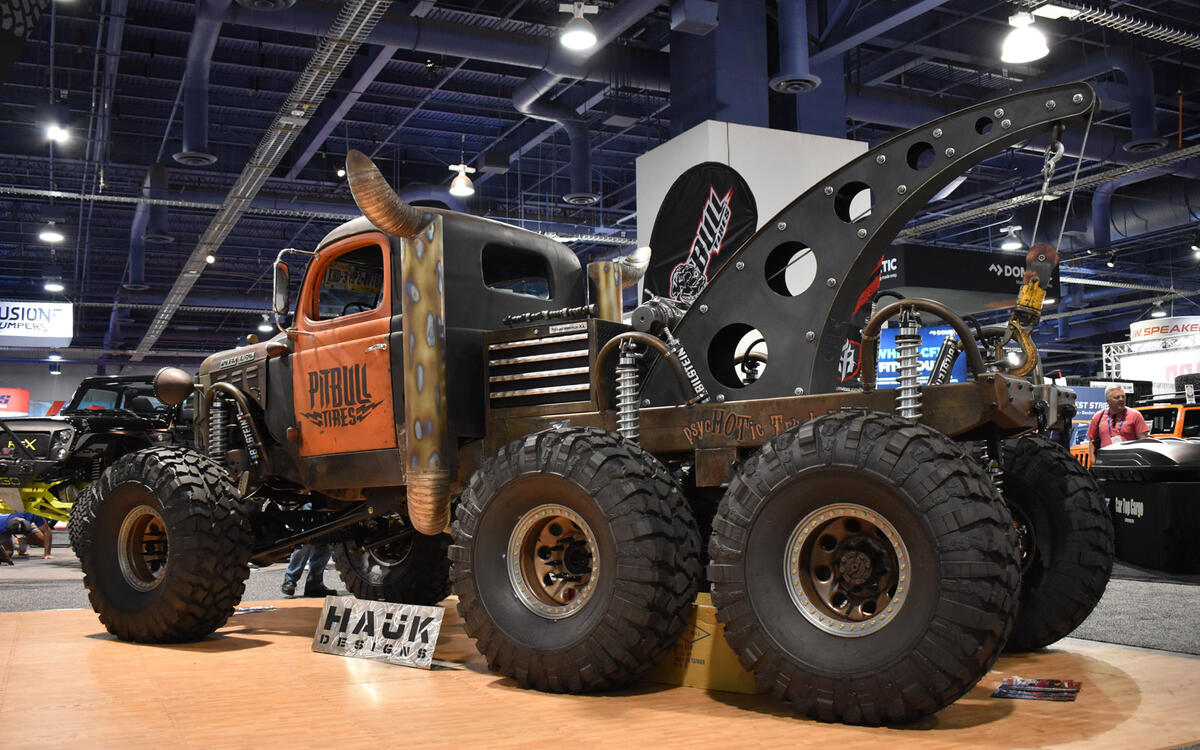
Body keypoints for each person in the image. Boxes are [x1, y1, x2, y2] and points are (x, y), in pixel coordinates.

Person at [1087, 385, 1150, 462]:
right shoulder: (1098, 416)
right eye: (1117, 397)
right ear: (1108, 401)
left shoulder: (1135, 415)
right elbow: (1092, 442)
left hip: (1129, 463)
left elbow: (1144, 442)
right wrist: (1093, 463)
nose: (1121, 399)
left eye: (1123, 397)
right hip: (1105, 463)